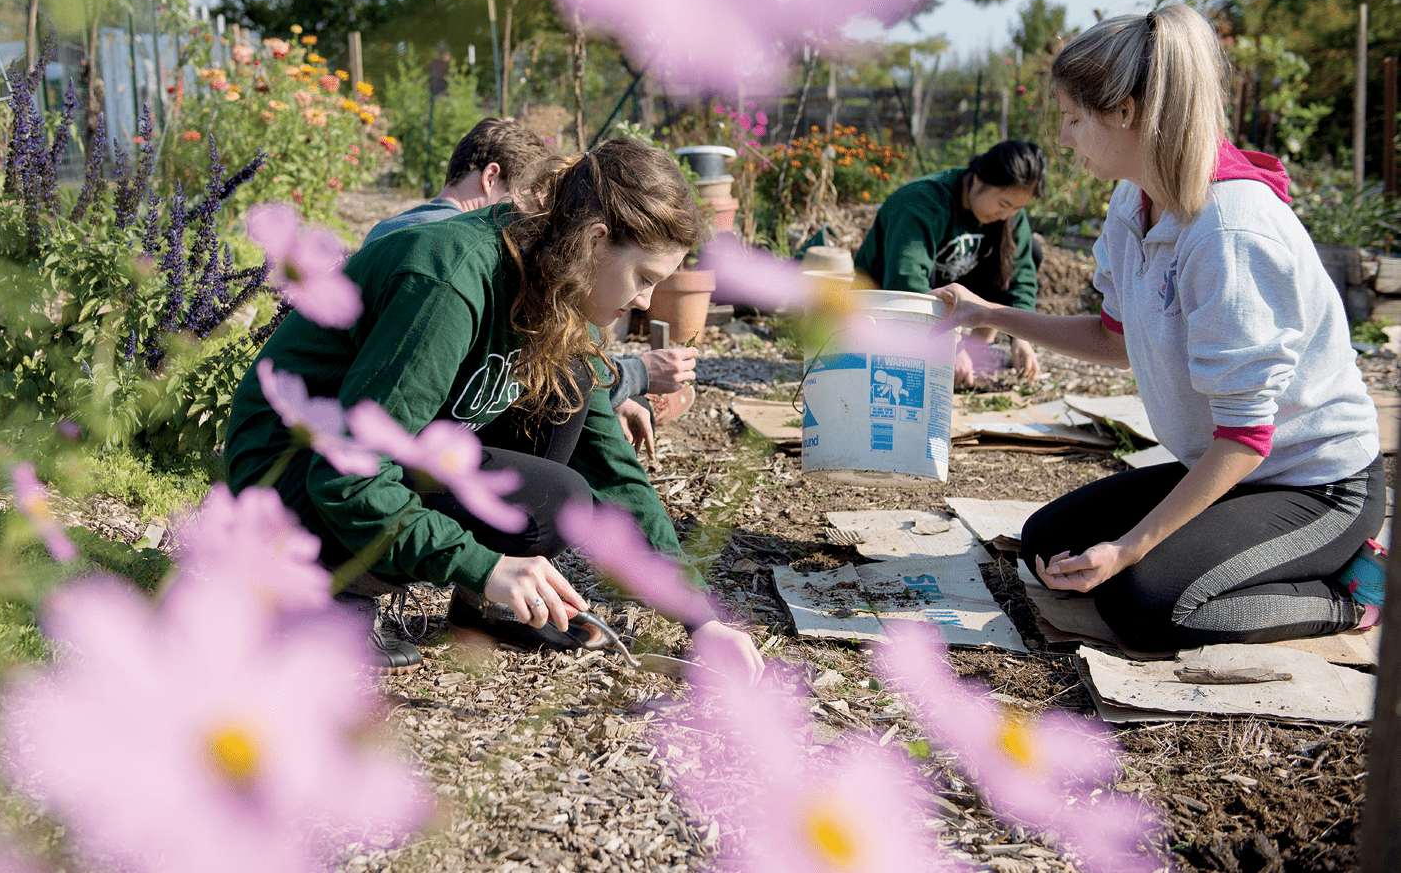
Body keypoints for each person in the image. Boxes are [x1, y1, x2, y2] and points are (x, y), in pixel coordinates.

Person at [224, 137, 764, 679]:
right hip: (289, 476)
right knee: (555, 492)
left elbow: (612, 470)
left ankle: (490, 607)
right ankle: (329, 592)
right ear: (597, 241)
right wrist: (481, 565)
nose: (646, 301)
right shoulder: (450, 282)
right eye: (644, 278)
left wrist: (699, 619)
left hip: (376, 457)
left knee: (565, 425)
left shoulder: (558, 286)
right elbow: (347, 474)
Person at [933, 4, 1383, 651]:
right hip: (1233, 471)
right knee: (1047, 545)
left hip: (1315, 485)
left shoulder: (1230, 233)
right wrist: (985, 312)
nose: (1063, 139)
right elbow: (1114, 339)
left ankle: (1354, 592)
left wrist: (1129, 548)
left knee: (1149, 605)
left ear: (1124, 111)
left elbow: (1246, 437)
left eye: (1071, 118)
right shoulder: (1133, 200)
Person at [366, 117, 698, 456]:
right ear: (490, 177)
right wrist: (634, 376)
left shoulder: (412, 233)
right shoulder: (449, 261)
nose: (533, 219)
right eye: (523, 199)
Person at [853, 140, 1048, 386]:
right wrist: (949, 347)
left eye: (1017, 208)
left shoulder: (1008, 214)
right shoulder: (922, 202)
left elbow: (1021, 277)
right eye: (1003, 204)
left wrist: (1022, 335)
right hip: (888, 303)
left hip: (947, 286)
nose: (1007, 215)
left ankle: (977, 348)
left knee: (1030, 251)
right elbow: (906, 281)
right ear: (978, 179)